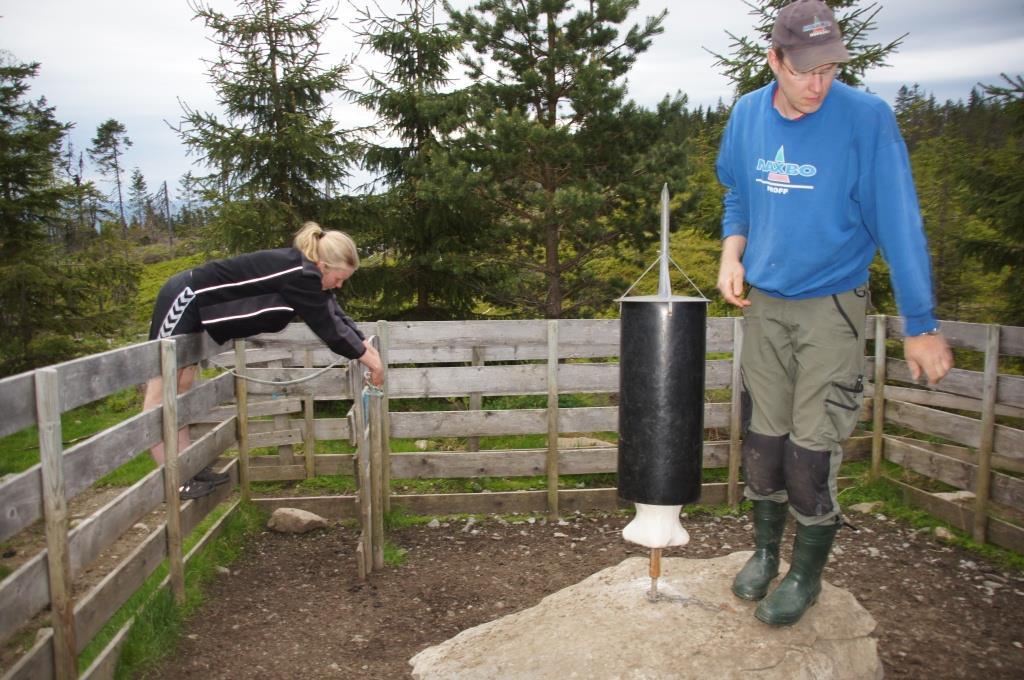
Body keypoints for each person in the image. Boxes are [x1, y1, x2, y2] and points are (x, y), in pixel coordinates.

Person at [715, 0, 954, 626]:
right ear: (775, 60)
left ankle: (806, 575)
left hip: (831, 309)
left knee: (808, 454)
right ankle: (766, 552)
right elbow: (738, 191)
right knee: (764, 445)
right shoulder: (746, 115)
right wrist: (731, 255)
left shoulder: (866, 119)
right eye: (804, 70)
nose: (818, 83)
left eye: (830, 69)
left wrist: (920, 324)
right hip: (765, 305)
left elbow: (899, 222)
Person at [144, 221, 385, 499]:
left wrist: (364, 343)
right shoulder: (301, 275)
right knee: (162, 390)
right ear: (323, 266)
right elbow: (330, 330)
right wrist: (373, 363)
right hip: (185, 298)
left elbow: (336, 315)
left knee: (182, 386)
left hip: (198, 308)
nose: (340, 285)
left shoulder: (307, 274)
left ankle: (186, 467)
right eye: (339, 278)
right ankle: (174, 479)